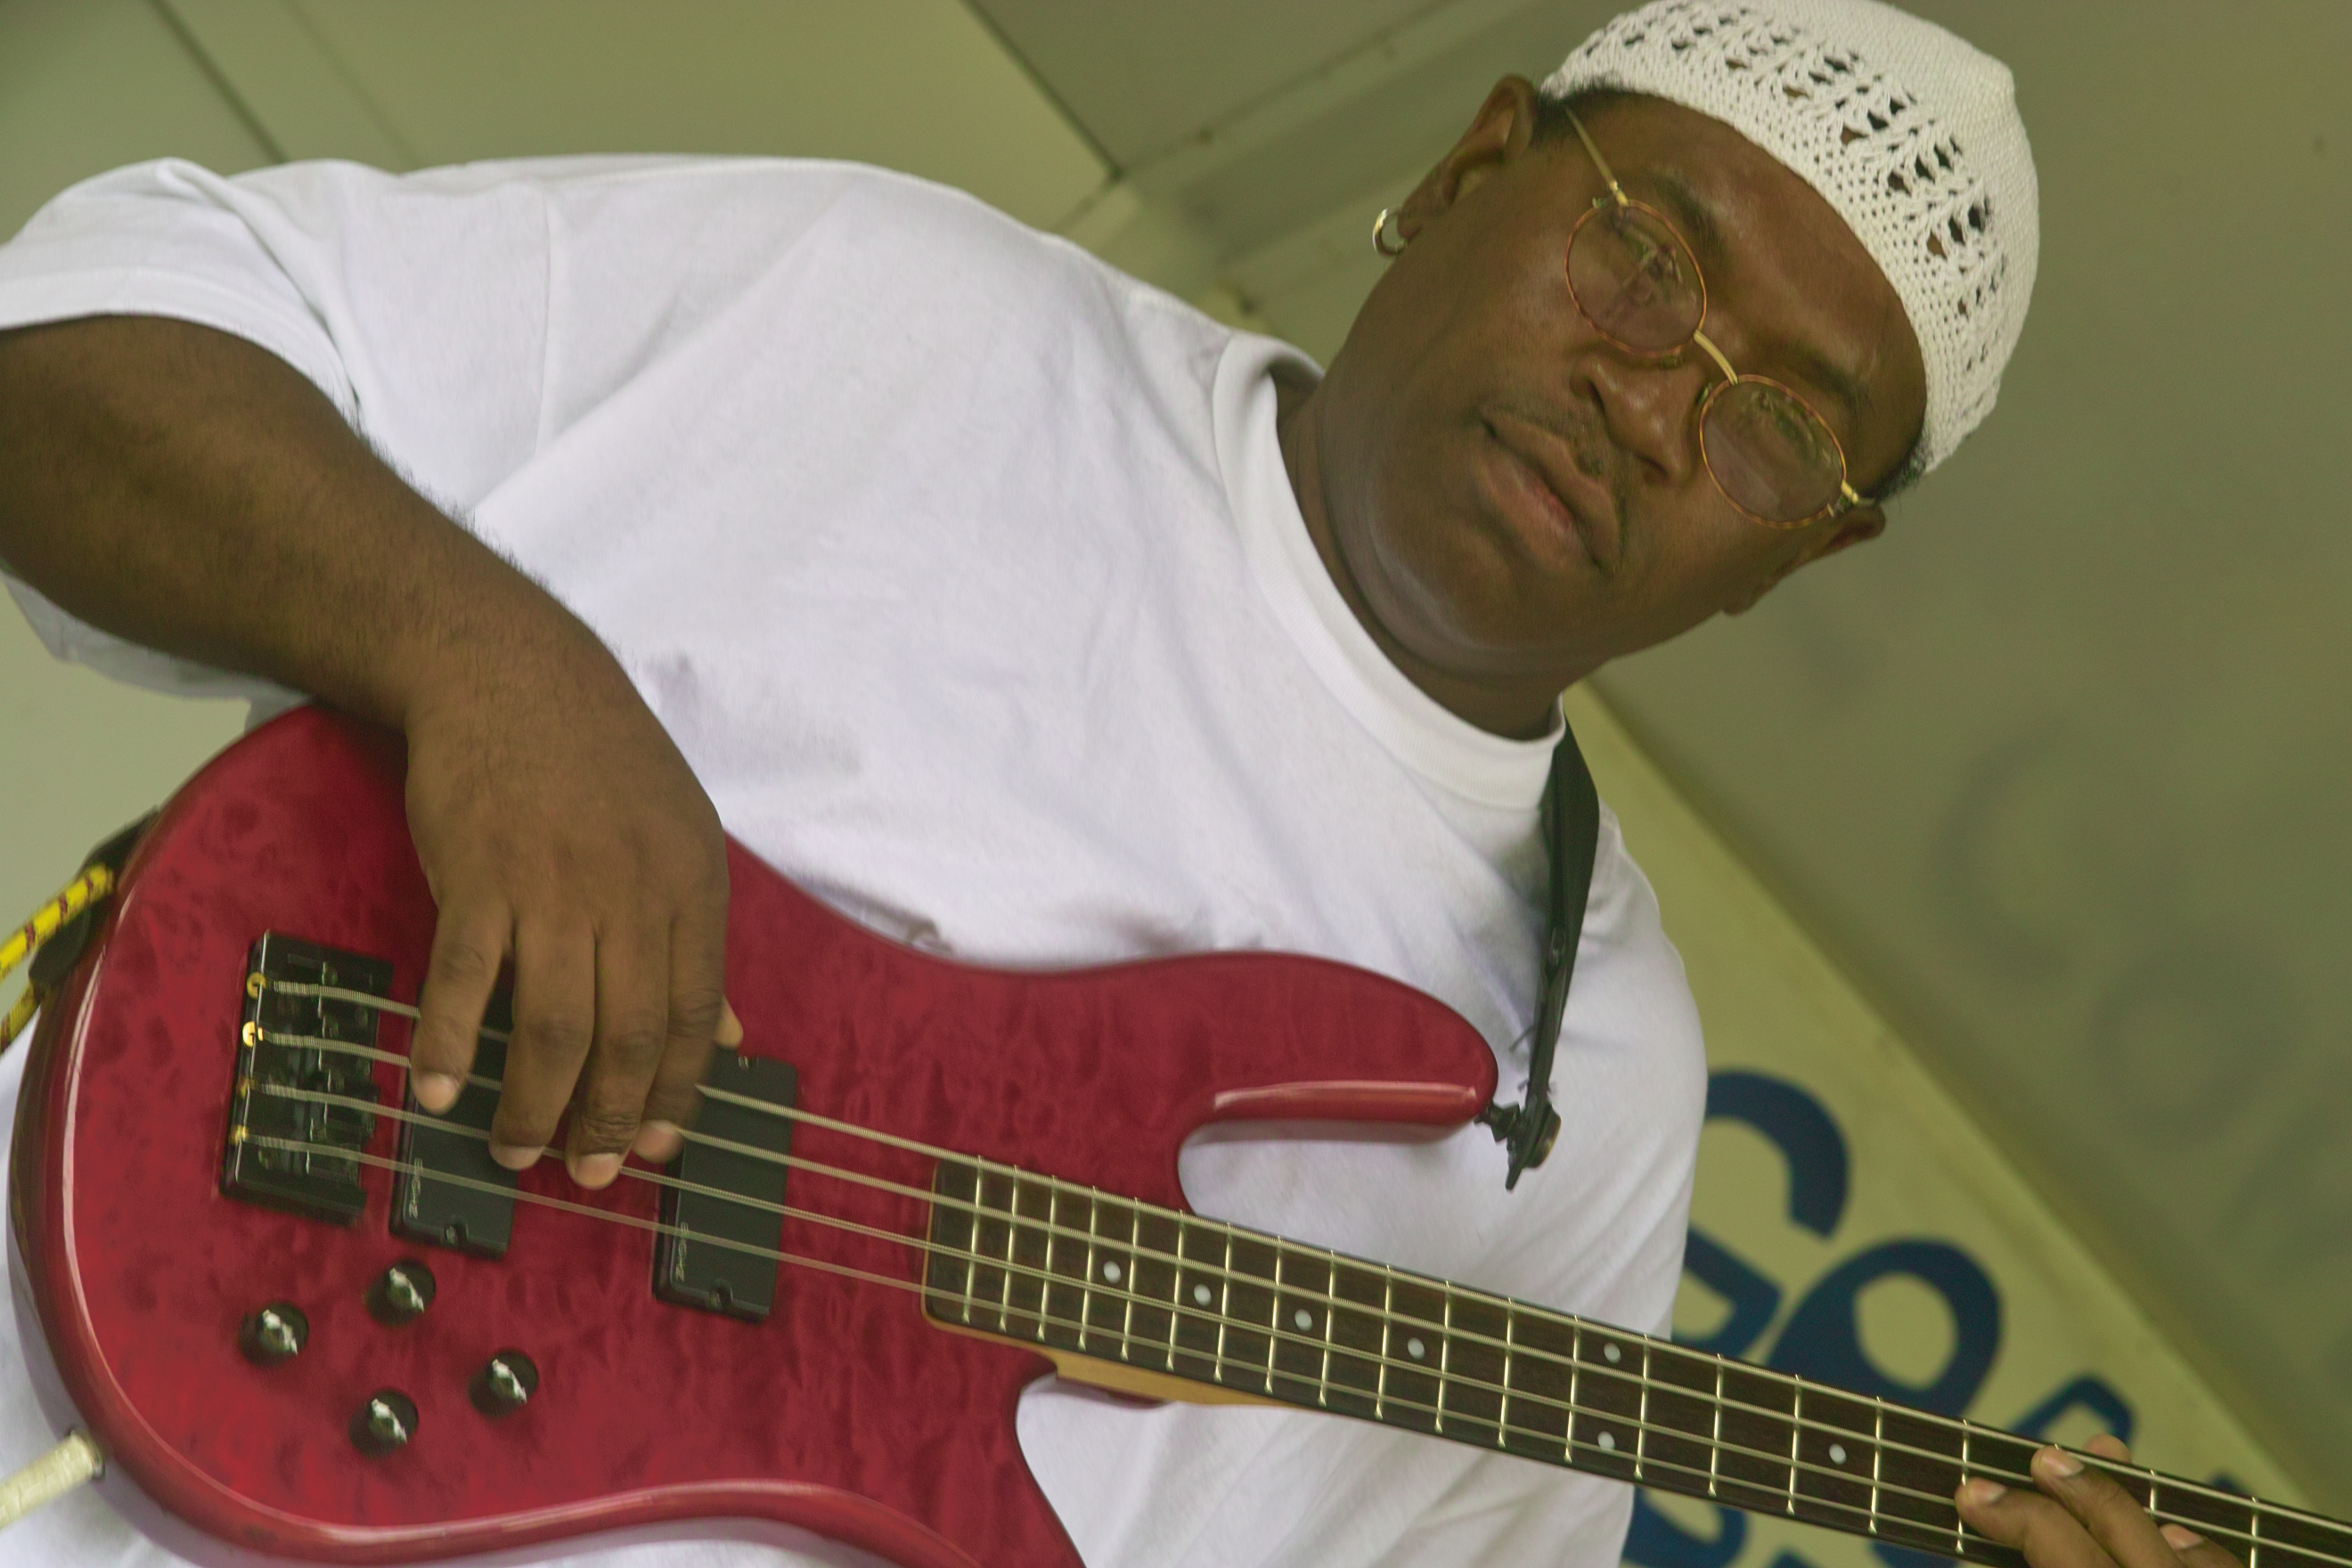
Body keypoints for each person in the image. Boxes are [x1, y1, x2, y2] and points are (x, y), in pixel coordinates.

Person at [0, 2, 2199, 1565]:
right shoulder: (902, 318)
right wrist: (491, 664)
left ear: (1800, 556)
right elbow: (70, 346)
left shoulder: (1595, 1076)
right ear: (1467, 167)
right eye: (1648, 253)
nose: (1653, 401)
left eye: (1779, 427)